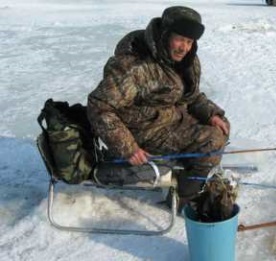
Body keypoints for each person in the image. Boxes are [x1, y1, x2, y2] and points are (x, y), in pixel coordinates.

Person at [87, 6, 230, 209]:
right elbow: (99, 106)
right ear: (165, 34)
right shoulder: (135, 67)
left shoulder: (183, 61)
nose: (184, 47)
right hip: (143, 130)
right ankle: (188, 199)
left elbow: (191, 96)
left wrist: (212, 114)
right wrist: (127, 146)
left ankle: (190, 172)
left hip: (169, 119)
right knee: (212, 141)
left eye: (189, 42)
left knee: (220, 126)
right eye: (180, 39)